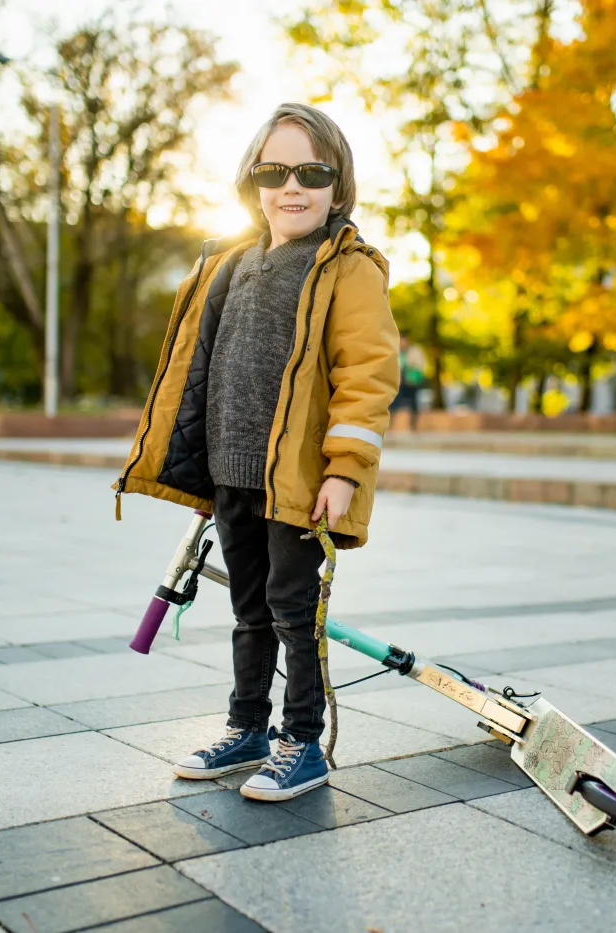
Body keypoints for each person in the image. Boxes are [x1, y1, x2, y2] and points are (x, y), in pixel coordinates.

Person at [113, 103, 400, 801]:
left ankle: (301, 741)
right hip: (231, 471)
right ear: (253, 180)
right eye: (275, 169)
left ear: (339, 184)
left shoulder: (348, 268)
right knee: (248, 609)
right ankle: (248, 727)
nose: (292, 185)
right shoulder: (230, 262)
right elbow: (196, 363)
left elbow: (368, 375)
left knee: (292, 610)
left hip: (298, 481)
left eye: (312, 170)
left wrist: (344, 470)